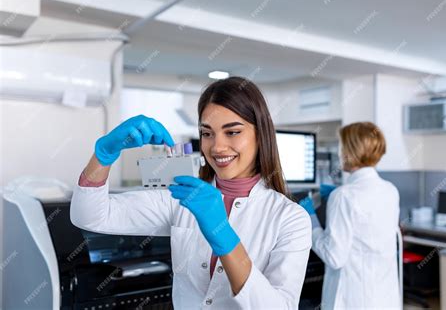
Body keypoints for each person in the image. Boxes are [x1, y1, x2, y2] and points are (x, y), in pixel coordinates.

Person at [70, 76, 312, 309]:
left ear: (261, 135)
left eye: (232, 132)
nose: (216, 146)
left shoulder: (290, 218)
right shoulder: (181, 199)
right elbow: (90, 216)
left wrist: (224, 237)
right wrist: (104, 153)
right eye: (207, 133)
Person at [300, 122, 401, 309]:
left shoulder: (344, 196)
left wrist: (310, 220)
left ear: (350, 151)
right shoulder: (390, 190)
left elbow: (333, 256)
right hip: (384, 297)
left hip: (352, 299)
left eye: (342, 147)